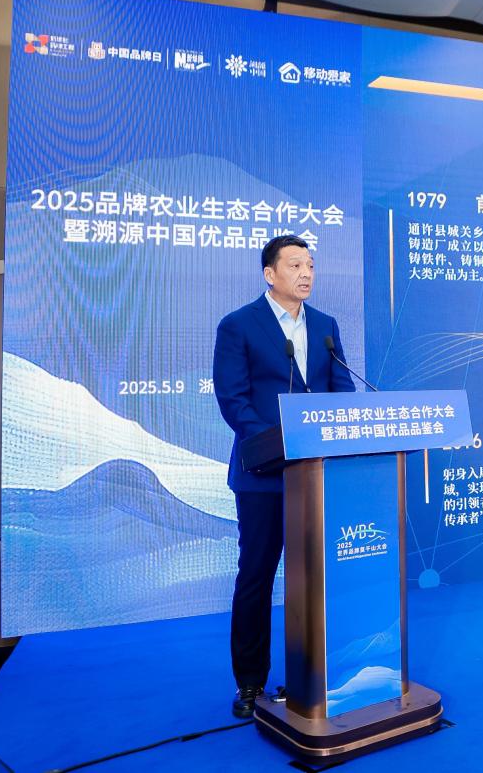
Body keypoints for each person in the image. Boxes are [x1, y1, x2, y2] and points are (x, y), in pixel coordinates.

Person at [213, 234, 356, 718]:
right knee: (256, 576)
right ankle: (250, 683)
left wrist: (343, 430)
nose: (306, 273)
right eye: (295, 265)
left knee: (314, 579)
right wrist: (280, 445)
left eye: (310, 265)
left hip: (317, 475)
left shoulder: (326, 326)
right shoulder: (238, 325)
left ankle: (312, 677)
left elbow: (340, 391)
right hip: (264, 476)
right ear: (269, 273)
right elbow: (234, 401)